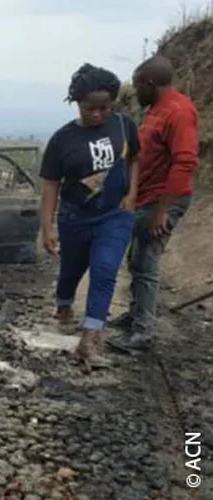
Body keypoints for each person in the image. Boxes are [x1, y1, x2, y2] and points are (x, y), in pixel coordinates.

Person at [39, 63, 140, 370]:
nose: (97, 114)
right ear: (77, 104)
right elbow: (51, 185)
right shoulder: (63, 139)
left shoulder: (123, 125)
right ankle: (64, 302)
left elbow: (134, 159)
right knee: (71, 270)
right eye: (89, 109)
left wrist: (132, 194)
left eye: (104, 108)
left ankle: (90, 337)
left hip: (114, 215)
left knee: (105, 270)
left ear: (112, 104)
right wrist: (47, 227)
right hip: (75, 217)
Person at [107, 55, 198, 353]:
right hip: (147, 199)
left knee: (147, 263)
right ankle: (135, 315)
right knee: (136, 259)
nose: (135, 92)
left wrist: (162, 210)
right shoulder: (157, 109)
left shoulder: (179, 112)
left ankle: (142, 332)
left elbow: (184, 163)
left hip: (163, 202)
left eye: (137, 86)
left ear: (150, 83)